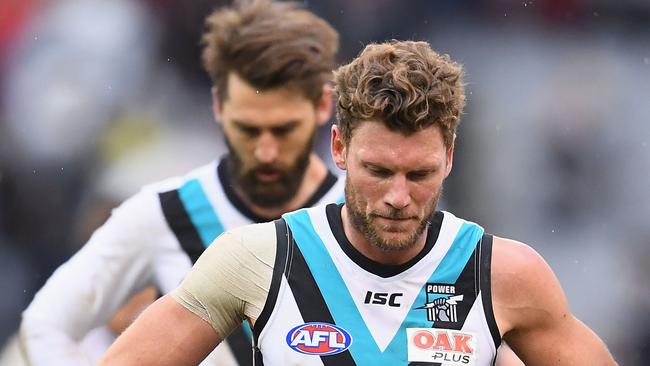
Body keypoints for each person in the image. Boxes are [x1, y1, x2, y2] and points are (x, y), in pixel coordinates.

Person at [99, 39, 618, 366]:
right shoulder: (256, 260)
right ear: (340, 148)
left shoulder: (504, 275)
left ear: (450, 158)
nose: (397, 197)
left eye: (419, 174)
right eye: (378, 171)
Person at [18, 1, 343, 365]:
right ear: (219, 106)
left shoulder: (363, 217)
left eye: (284, 129)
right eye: (247, 129)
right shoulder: (165, 214)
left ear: (322, 105)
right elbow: (46, 323)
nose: (266, 151)